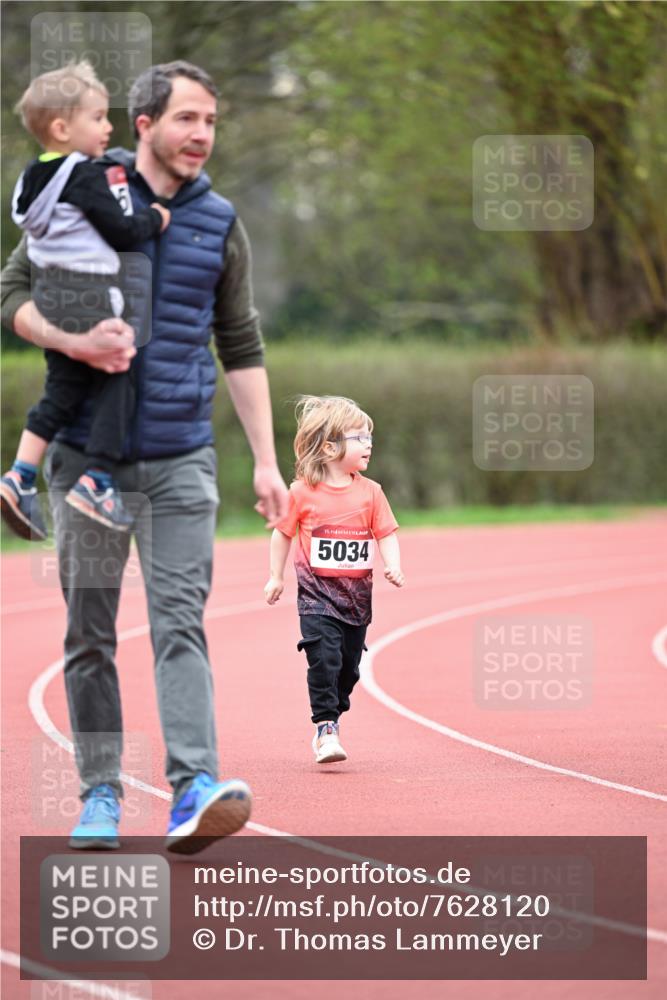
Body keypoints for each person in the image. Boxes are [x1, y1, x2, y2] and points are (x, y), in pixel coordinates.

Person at [1, 60, 288, 854]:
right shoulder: (82, 191)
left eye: (212, 122)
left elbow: (240, 342)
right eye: (188, 119)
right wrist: (70, 340)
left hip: (180, 459)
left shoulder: (220, 220)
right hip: (85, 458)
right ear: (143, 125)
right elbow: (9, 295)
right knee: (89, 633)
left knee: (178, 624)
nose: (201, 135)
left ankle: (193, 786)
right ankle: (98, 794)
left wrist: (266, 461)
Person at [0, 61, 171, 540]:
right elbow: (121, 232)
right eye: (97, 117)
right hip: (90, 292)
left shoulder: (30, 179)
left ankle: (19, 474)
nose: (108, 127)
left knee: (63, 389)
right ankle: (97, 478)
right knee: (122, 370)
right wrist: (154, 219)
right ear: (61, 127)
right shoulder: (85, 175)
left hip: (50, 294)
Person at [264, 395, 404, 763]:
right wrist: (275, 576)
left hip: (356, 602)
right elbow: (282, 533)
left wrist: (393, 564)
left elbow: (386, 532)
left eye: (369, 437)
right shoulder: (300, 493)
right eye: (359, 437)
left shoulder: (371, 492)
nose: (369, 443)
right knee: (322, 658)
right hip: (316, 599)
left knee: (348, 669)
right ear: (329, 447)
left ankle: (335, 708)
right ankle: (326, 727)